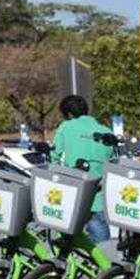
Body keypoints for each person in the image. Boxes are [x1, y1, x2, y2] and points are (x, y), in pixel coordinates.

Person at [50, 95, 113, 242]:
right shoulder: (105, 131)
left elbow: (55, 156)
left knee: (68, 238)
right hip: (98, 195)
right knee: (100, 237)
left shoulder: (66, 127)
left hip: (73, 193)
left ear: (69, 114)